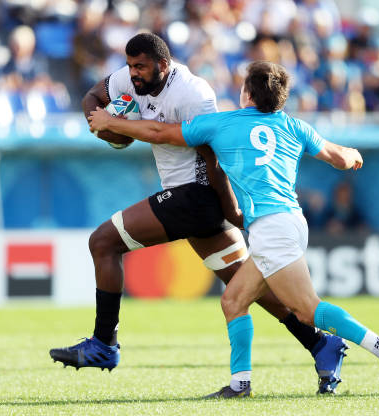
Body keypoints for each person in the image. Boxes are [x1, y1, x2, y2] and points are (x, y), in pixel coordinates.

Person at [88, 60, 379, 396]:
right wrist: (354, 155)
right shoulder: (294, 126)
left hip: (271, 229)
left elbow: (158, 132)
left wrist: (111, 122)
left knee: (307, 308)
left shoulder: (221, 124)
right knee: (233, 301)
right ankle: (240, 385)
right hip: (287, 223)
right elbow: (340, 158)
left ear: (247, 94)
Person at [49, 33, 349, 395]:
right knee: (244, 287)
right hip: (191, 201)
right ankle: (320, 344)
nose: (133, 74)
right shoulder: (131, 79)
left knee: (103, 243)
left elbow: (213, 157)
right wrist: (101, 126)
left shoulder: (194, 92)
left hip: (196, 196)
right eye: (130, 67)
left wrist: (230, 209)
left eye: (140, 67)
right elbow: (92, 98)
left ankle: (104, 344)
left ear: (163, 64)